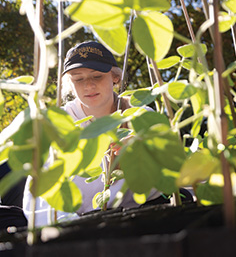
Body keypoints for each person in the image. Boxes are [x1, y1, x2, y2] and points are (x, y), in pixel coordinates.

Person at [23, 41, 161, 225]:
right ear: (70, 85)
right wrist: (70, 227)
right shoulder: (58, 124)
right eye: (78, 79)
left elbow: (164, 184)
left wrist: (140, 157)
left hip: (138, 218)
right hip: (77, 223)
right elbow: (39, 196)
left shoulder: (139, 115)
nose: (88, 86)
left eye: (97, 76)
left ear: (115, 77)